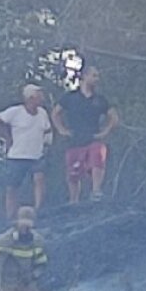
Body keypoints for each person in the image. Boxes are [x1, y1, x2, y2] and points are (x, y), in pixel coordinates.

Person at [52, 66, 120, 203]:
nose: (97, 79)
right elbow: (55, 113)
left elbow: (114, 117)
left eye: (97, 76)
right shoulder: (70, 97)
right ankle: (73, 200)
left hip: (93, 137)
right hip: (75, 139)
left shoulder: (100, 99)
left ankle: (96, 192)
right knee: (73, 172)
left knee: (98, 157)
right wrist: (61, 129)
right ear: (84, 76)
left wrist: (105, 132)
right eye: (94, 76)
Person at [0, 84, 53, 219]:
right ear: (30, 98)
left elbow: (47, 129)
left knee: (39, 179)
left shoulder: (42, 113)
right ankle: (10, 214)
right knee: (12, 186)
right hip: (17, 155)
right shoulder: (15, 112)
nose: (42, 98)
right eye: (39, 95)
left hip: (37, 154)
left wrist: (47, 143)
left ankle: (38, 209)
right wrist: (6, 137)